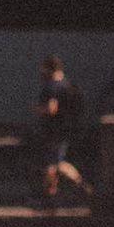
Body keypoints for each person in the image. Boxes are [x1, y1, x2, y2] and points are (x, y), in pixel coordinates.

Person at [34, 50, 87, 209]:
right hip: (67, 130)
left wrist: (38, 109)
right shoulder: (68, 85)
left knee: (50, 165)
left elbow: (52, 109)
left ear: (48, 68)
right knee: (58, 163)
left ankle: (50, 196)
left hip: (53, 131)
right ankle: (80, 185)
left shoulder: (51, 87)